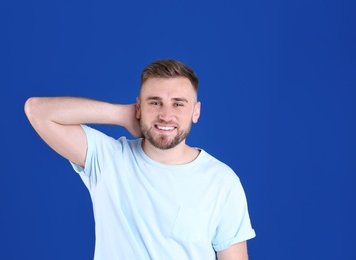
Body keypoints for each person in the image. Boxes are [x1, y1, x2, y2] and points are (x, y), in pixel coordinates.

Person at [24, 59, 256, 260]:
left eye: (178, 103)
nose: (166, 115)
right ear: (139, 107)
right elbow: (37, 111)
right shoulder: (108, 160)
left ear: (196, 112)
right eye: (155, 102)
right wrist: (122, 115)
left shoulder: (222, 181)